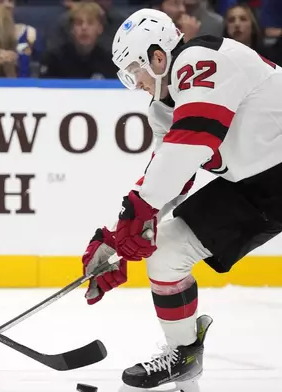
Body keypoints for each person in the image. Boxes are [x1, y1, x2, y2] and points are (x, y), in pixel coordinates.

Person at [81, 7, 282, 392]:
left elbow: (192, 143)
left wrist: (135, 212)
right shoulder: (162, 106)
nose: (134, 83)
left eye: (133, 71)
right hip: (254, 186)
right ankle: (184, 359)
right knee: (166, 252)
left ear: (158, 57)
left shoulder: (202, 59)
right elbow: (170, 177)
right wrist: (117, 240)